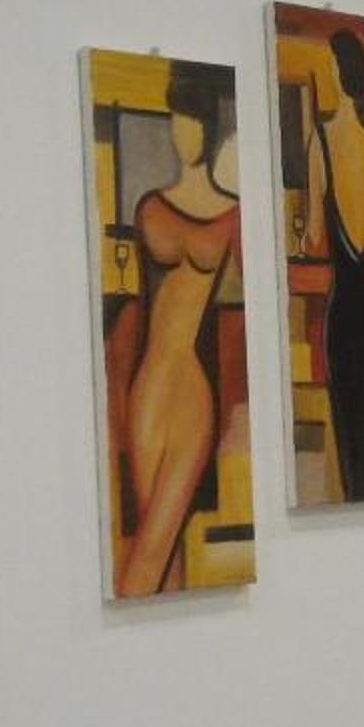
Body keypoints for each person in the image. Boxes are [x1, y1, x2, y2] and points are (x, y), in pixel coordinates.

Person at [116, 63, 241, 597]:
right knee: (163, 557)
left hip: (192, 390)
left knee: (153, 547)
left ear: (209, 128)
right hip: (149, 387)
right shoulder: (149, 206)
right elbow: (141, 309)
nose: (180, 133)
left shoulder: (234, 215)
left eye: (190, 121)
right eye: (174, 120)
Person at [305, 29, 364, 502]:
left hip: (343, 309)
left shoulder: (320, 141)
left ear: (337, 72)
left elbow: (314, 237)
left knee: (349, 430)